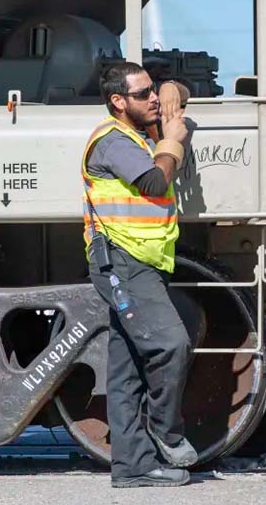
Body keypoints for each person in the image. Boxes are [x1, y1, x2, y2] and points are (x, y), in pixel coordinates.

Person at [83, 62, 199, 487]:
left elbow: (177, 93)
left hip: (142, 261)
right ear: (118, 102)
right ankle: (167, 436)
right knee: (170, 344)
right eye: (143, 94)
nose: (152, 100)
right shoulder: (112, 141)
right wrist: (172, 142)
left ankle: (132, 466)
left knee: (128, 367)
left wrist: (172, 87)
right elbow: (153, 181)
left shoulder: (133, 133)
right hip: (122, 262)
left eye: (153, 91)